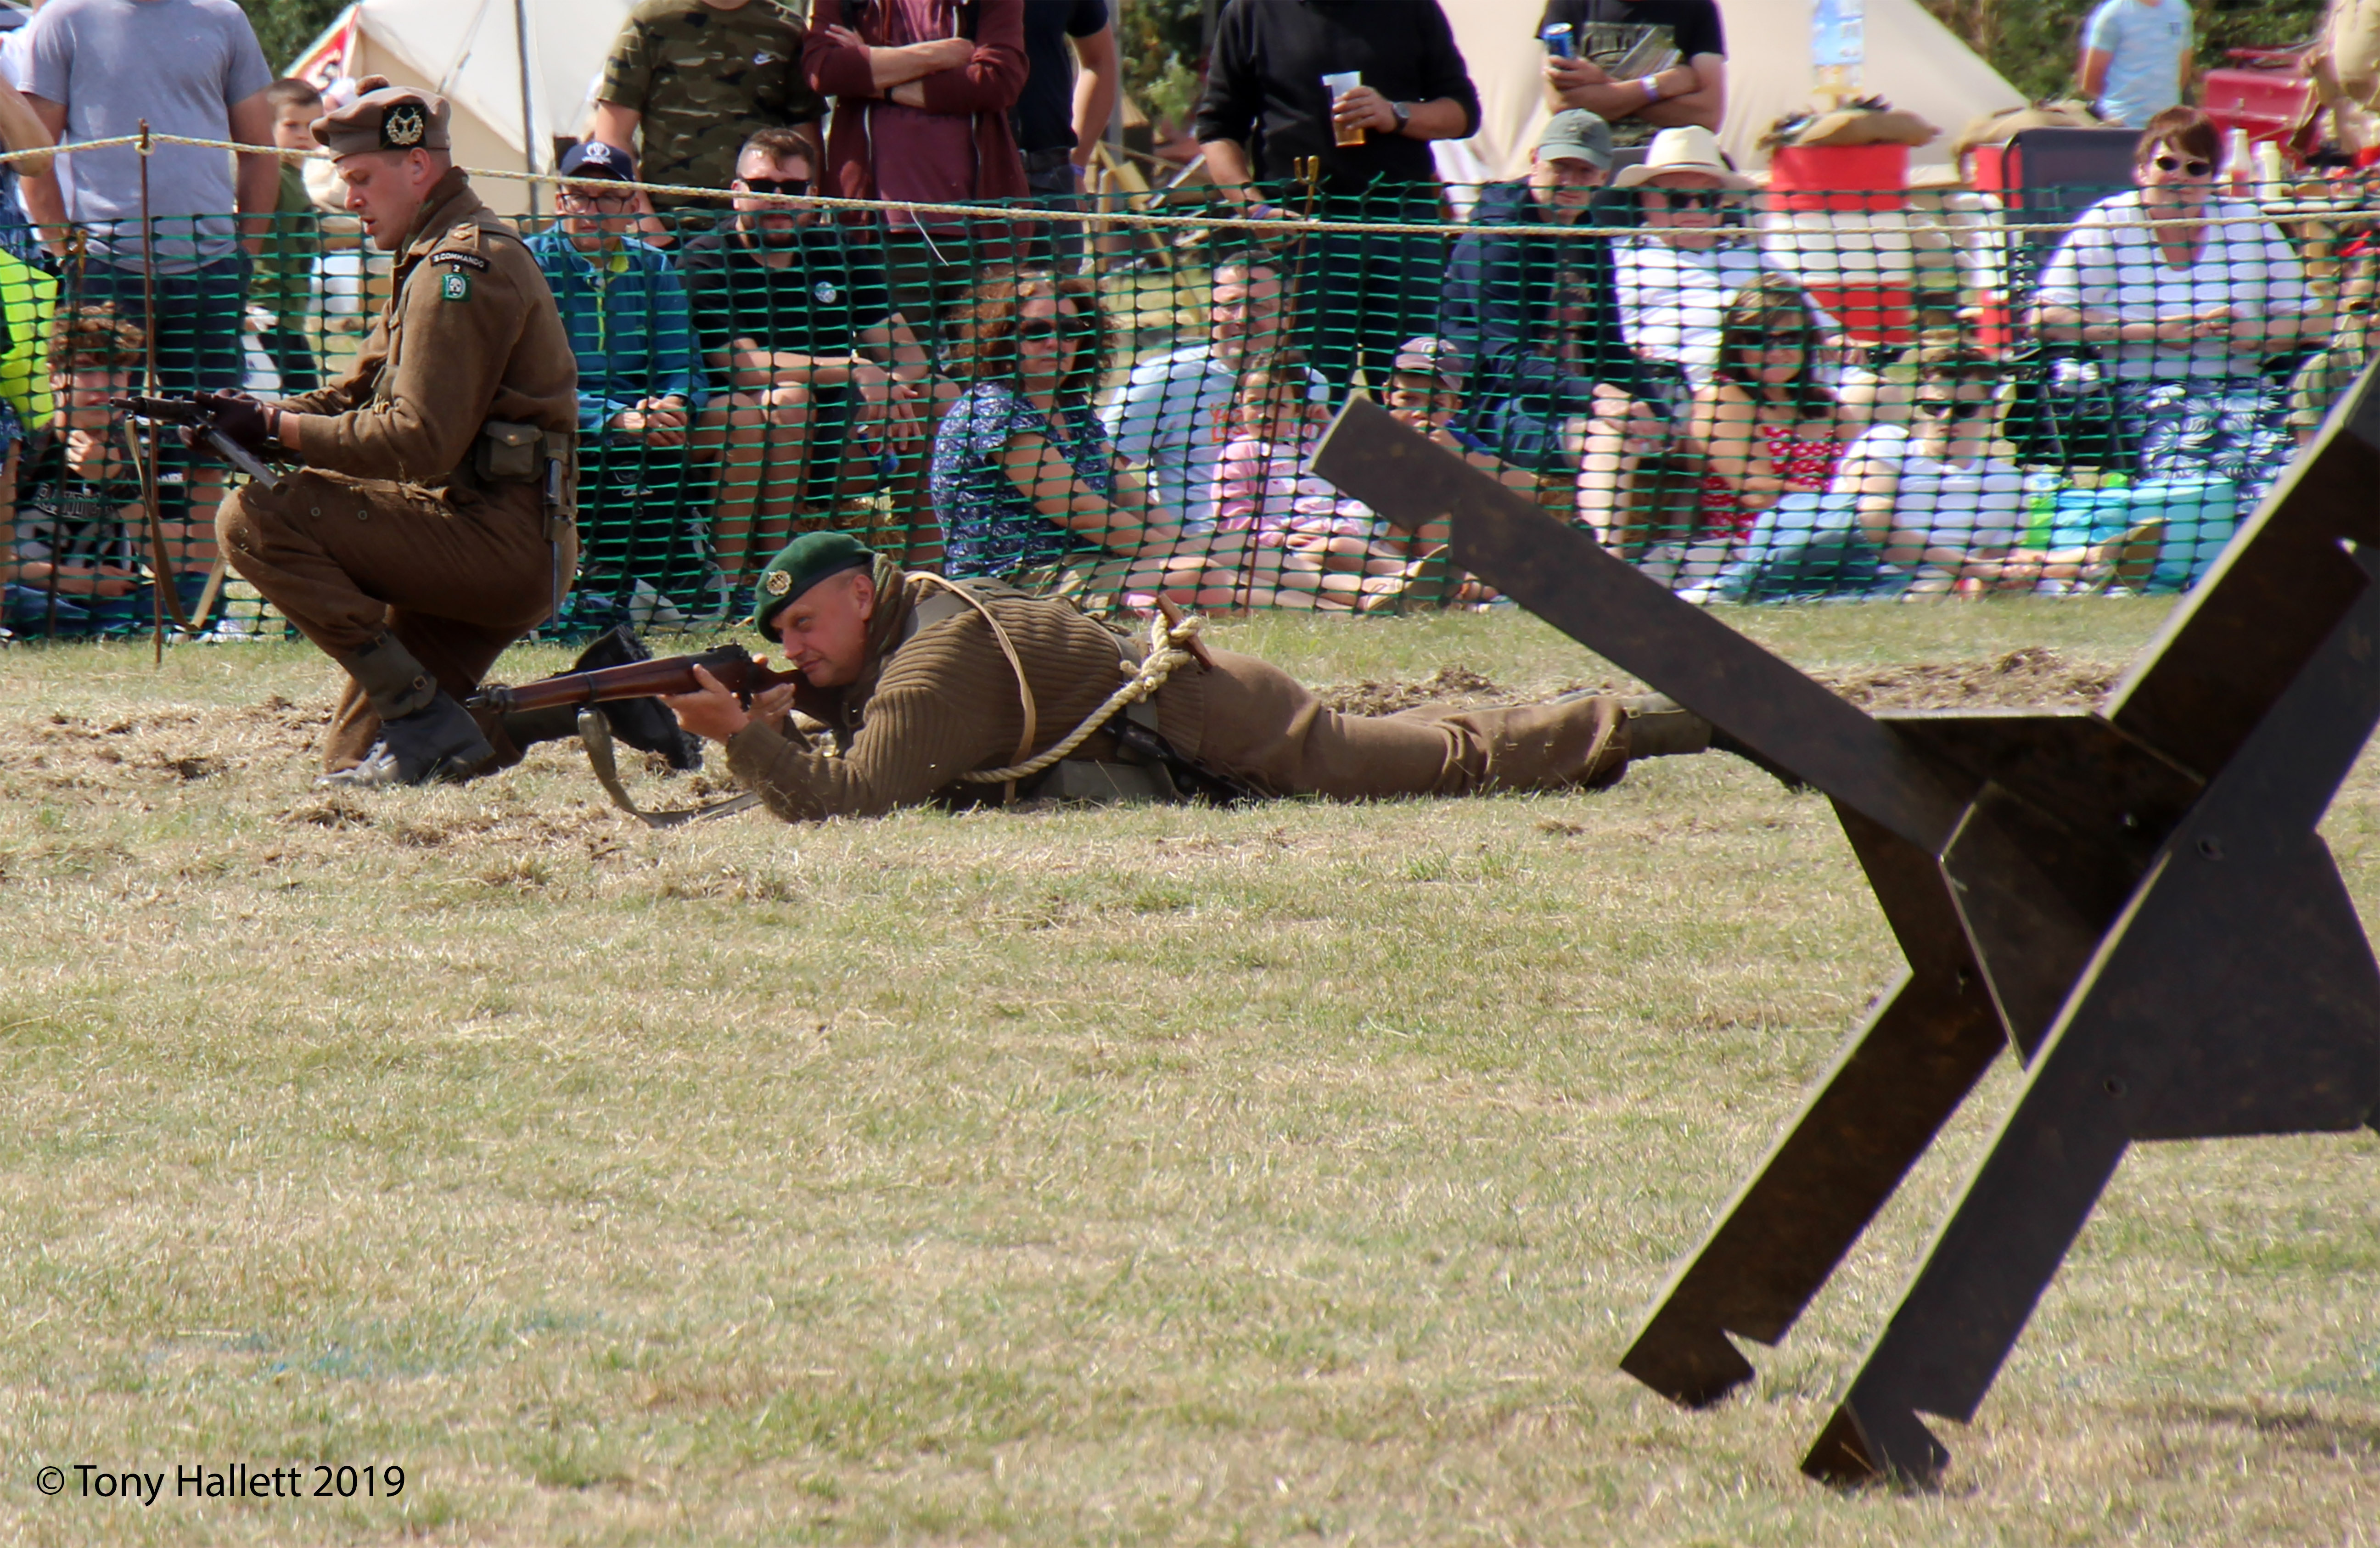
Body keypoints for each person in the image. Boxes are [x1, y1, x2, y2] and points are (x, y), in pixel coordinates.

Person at [658, 530, 1756, 821]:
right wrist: (779, 717)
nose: (797, 648)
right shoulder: (913, 618)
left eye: (807, 623)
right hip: (1190, 714)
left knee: (1440, 763)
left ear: (862, 595)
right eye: (784, 635)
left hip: (1226, 723)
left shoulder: (933, 659)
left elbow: (853, 801)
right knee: (1418, 739)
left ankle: (1663, 725)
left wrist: (740, 736)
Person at [210, 81, 579, 788]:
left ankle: (419, 708)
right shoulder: (431, 256)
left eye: (360, 179)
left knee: (254, 517)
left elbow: (417, 441)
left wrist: (275, 427)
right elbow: (353, 396)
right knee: (360, 767)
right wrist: (241, 420)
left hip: (492, 545)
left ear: (417, 166)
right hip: (480, 539)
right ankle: (598, 700)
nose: (350, 199)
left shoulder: (459, 270)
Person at [21, 0, 277, 600]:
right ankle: (109, 594)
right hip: (104, 270)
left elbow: (260, 151)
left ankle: (197, 601)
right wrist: (66, 251)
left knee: (210, 439)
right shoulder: (63, 19)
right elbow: (34, 154)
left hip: (211, 270)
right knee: (95, 425)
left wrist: (243, 254)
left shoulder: (224, 17)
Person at [679, 127, 934, 583]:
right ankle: (764, 581)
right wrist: (856, 369)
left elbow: (909, 355)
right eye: (763, 187)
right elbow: (744, 369)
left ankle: (927, 577)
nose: (779, 200)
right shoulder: (705, 259)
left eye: (793, 189)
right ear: (736, 192)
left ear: (813, 197)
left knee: (938, 395)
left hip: (842, 434)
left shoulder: (838, 249)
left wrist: (890, 389)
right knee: (791, 400)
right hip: (748, 444)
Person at [2029, 108, 2316, 512]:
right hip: (2145, 391)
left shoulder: (2247, 223)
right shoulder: (2109, 222)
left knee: (2290, 479)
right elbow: (2044, 318)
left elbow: (2312, 319)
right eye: (2168, 163)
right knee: (2198, 485)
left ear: (2212, 178)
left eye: (2196, 168)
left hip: (2245, 390)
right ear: (2142, 170)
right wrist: (2155, 331)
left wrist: (2259, 336)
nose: (2180, 176)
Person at [1193, 0, 1481, 396]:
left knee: (1414, 388)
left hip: (1403, 223)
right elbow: (1217, 130)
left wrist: (1395, 114)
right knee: (1306, 389)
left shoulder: (1412, 8)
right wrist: (1254, 210)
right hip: (1300, 229)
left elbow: (1463, 113)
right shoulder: (1251, 12)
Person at [930, 268, 1238, 611]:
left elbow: (1128, 493)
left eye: (1069, 330)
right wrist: (1180, 556)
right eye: (1036, 331)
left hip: (1088, 563)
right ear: (1002, 338)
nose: (1055, 342)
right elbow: (1080, 510)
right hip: (1014, 582)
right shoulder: (993, 409)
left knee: (1241, 559)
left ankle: (1278, 599)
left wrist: (1188, 548)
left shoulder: (1072, 406)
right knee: (1200, 576)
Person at [527, 140, 708, 604]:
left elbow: (683, 360)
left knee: (723, 424)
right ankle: (590, 578)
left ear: (632, 206)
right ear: (560, 202)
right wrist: (612, 417)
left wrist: (674, 404)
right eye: (580, 195)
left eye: (608, 196)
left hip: (646, 417)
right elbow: (527, 380)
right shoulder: (527, 263)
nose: (593, 209)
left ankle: (700, 575)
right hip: (560, 417)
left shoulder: (655, 265)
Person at [1438, 109, 1657, 484]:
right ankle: (1603, 528)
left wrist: (1657, 410)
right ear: (1535, 160)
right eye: (1560, 166)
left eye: (1584, 171)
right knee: (1613, 443)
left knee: (1686, 436)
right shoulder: (1496, 238)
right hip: (1491, 405)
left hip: (1572, 394)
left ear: (1603, 176)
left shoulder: (1589, 234)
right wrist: (1599, 395)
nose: (1570, 181)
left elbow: (1607, 345)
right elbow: (1508, 362)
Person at [801, 0, 1028, 345]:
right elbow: (825, 70)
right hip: (878, 233)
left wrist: (876, 73)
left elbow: (999, 81)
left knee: (988, 368)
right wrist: (940, 56)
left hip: (982, 233)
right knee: (901, 369)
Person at [1099, 257, 1325, 536]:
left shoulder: (1310, 384)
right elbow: (1102, 466)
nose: (1243, 318)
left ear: (1286, 316)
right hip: (1200, 541)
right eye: (1231, 305)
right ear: (1211, 312)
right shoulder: (1167, 377)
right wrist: (1160, 530)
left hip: (1302, 536)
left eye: (1259, 306)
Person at [589, 0, 827, 227]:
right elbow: (612, 138)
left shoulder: (786, 29)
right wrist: (646, 225)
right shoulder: (651, 21)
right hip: (670, 224)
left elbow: (806, 145)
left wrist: (803, 225)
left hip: (761, 231)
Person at [1, 303, 149, 635]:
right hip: (30, 593)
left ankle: (106, 628)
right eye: (84, 369)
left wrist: (116, 482)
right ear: (54, 374)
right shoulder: (24, 447)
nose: (102, 387)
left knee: (191, 594)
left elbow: (173, 562)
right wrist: (73, 580)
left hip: (117, 600)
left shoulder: (144, 448)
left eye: (116, 372)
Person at [1537, 0, 1726, 146]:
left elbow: (1708, 116)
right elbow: (1562, 103)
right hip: (1586, 165)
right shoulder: (1569, 3)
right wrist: (1658, 86)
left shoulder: (1696, 7)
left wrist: (1603, 86)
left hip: (1665, 169)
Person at [1015, 0, 1117, 269]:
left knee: (1057, 296)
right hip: (954, 183)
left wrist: (1077, 166)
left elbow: (1099, 61)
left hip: (1047, 179)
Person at [252, 77, 326, 395]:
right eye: (292, 125)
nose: (303, 135)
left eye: (312, 126)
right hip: (263, 316)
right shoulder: (271, 177)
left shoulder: (295, 178)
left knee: (305, 402)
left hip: (291, 320)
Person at [2078, 0, 2193, 131]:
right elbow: (2090, 82)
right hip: (2121, 127)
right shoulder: (2113, 14)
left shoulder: (2180, 10)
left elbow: (2182, 72)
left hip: (2166, 130)